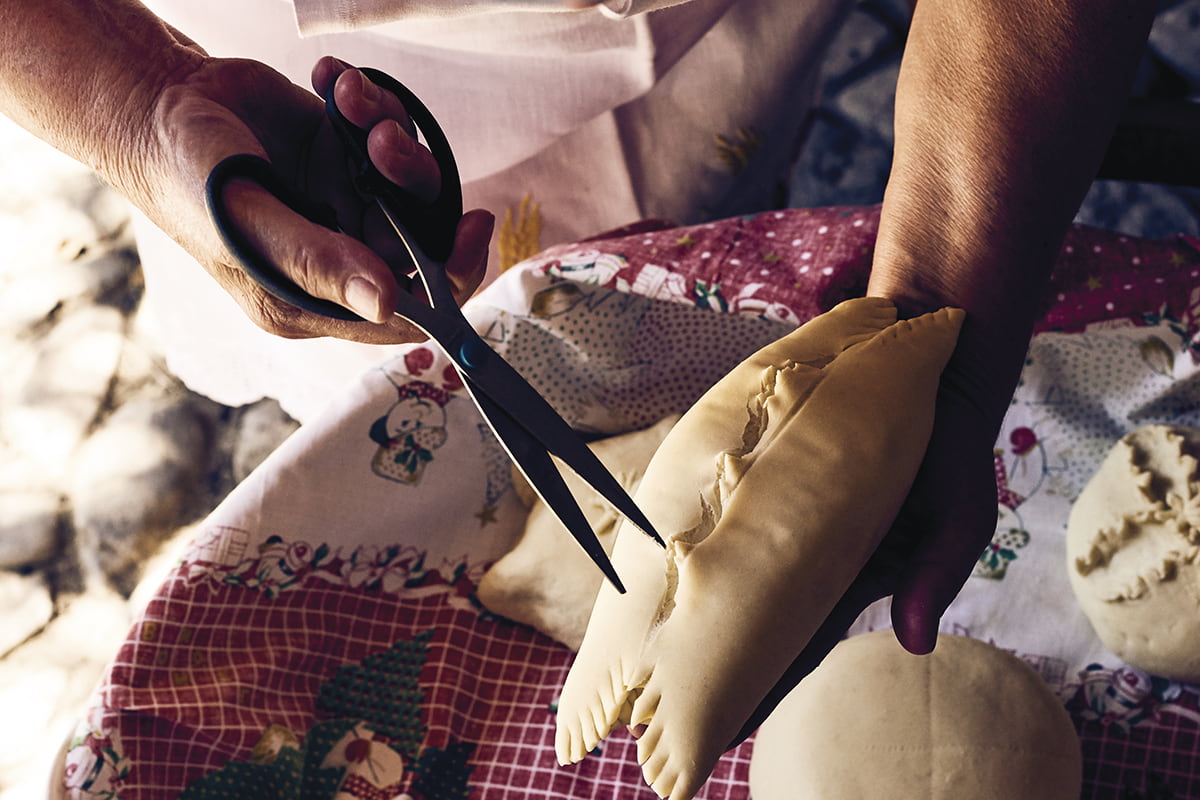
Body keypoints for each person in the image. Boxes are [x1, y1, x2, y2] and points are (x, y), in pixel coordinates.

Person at [0, 0, 1158, 680]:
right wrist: (140, 94)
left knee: (687, 249)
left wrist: (932, 314)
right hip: (255, 61)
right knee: (353, 334)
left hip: (705, 50)